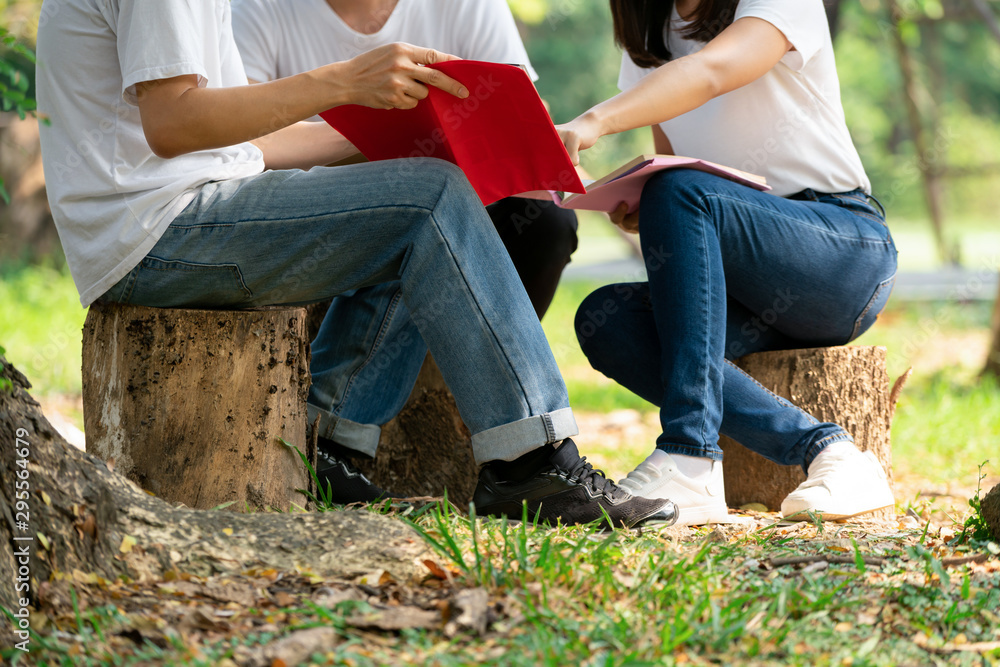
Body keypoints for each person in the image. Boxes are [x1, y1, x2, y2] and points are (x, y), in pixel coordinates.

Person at [35, 0, 677, 529]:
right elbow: (172, 123)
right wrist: (344, 82)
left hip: (184, 212)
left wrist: (404, 128)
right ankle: (532, 463)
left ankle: (330, 446)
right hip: (158, 234)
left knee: (420, 191)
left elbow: (241, 143)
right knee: (427, 198)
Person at [556, 0, 897, 525]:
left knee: (681, 191)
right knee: (607, 319)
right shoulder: (652, 35)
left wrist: (595, 121)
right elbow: (672, 166)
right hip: (743, 285)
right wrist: (646, 206)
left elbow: (713, 71)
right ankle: (832, 454)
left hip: (841, 255)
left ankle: (689, 456)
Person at [229, 0, 582, 499]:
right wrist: (377, 136)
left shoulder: (467, 5)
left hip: (451, 192)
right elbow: (242, 140)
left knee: (544, 223)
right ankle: (334, 439)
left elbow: (521, 111)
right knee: (416, 204)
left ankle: (504, 423)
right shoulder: (261, 11)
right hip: (323, 205)